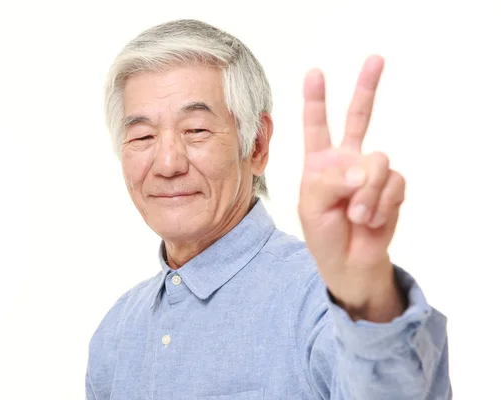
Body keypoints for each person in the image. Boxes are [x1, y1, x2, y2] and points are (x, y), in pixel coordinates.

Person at [85, 19, 451, 399]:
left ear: (256, 145)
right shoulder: (114, 336)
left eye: (196, 130)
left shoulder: (320, 299)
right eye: (143, 136)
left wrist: (368, 299)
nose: (167, 163)